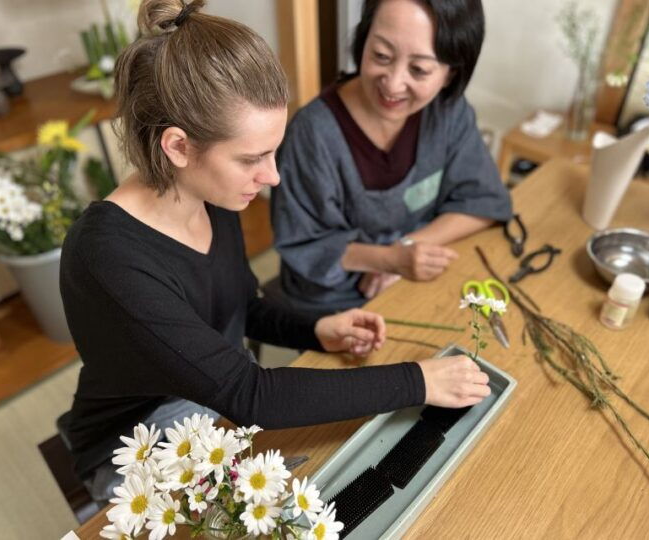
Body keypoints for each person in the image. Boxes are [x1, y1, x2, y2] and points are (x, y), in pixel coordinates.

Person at [59, 0, 491, 503]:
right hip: (137, 439)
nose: (273, 177)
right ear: (178, 147)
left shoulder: (209, 193)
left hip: (219, 393)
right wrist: (418, 380)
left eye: (272, 150)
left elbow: (242, 307)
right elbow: (252, 395)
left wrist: (313, 329)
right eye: (253, 158)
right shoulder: (107, 257)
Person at [271, 0, 512, 315]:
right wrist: (387, 260)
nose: (393, 83)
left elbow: (483, 203)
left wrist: (406, 250)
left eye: (419, 69)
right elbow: (304, 244)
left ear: (450, 74)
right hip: (330, 301)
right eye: (381, 56)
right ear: (363, 39)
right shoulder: (313, 135)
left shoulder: (448, 113)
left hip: (409, 282)